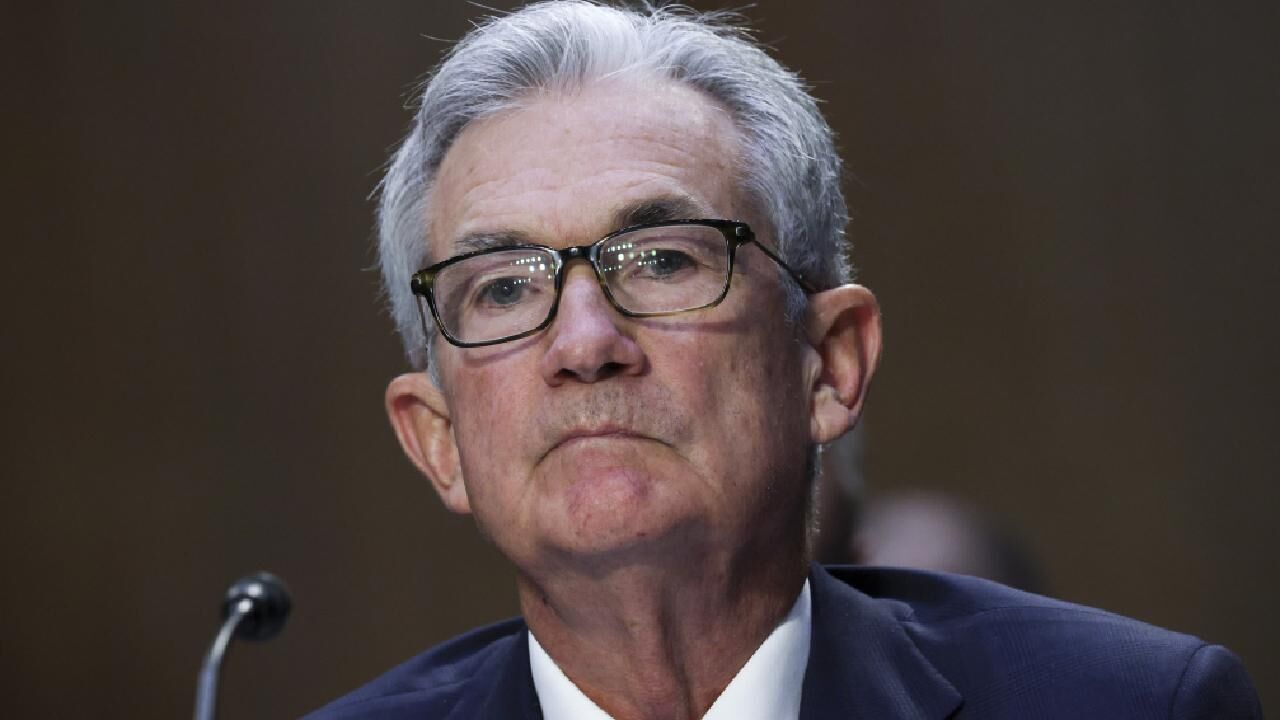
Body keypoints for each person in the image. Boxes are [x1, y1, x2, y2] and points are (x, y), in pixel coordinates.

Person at [307, 2, 1261, 718]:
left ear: (830, 363)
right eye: (503, 288)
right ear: (436, 439)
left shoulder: (1132, 705)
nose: (586, 344)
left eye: (664, 260)